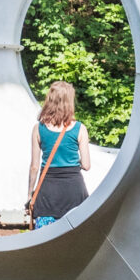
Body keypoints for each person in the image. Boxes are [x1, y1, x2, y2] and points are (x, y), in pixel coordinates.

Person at [27, 81, 92, 227]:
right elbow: (86, 165)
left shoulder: (38, 129)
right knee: (74, 240)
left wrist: (30, 194)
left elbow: (34, 167)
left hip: (47, 194)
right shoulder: (80, 129)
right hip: (75, 192)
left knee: (44, 243)